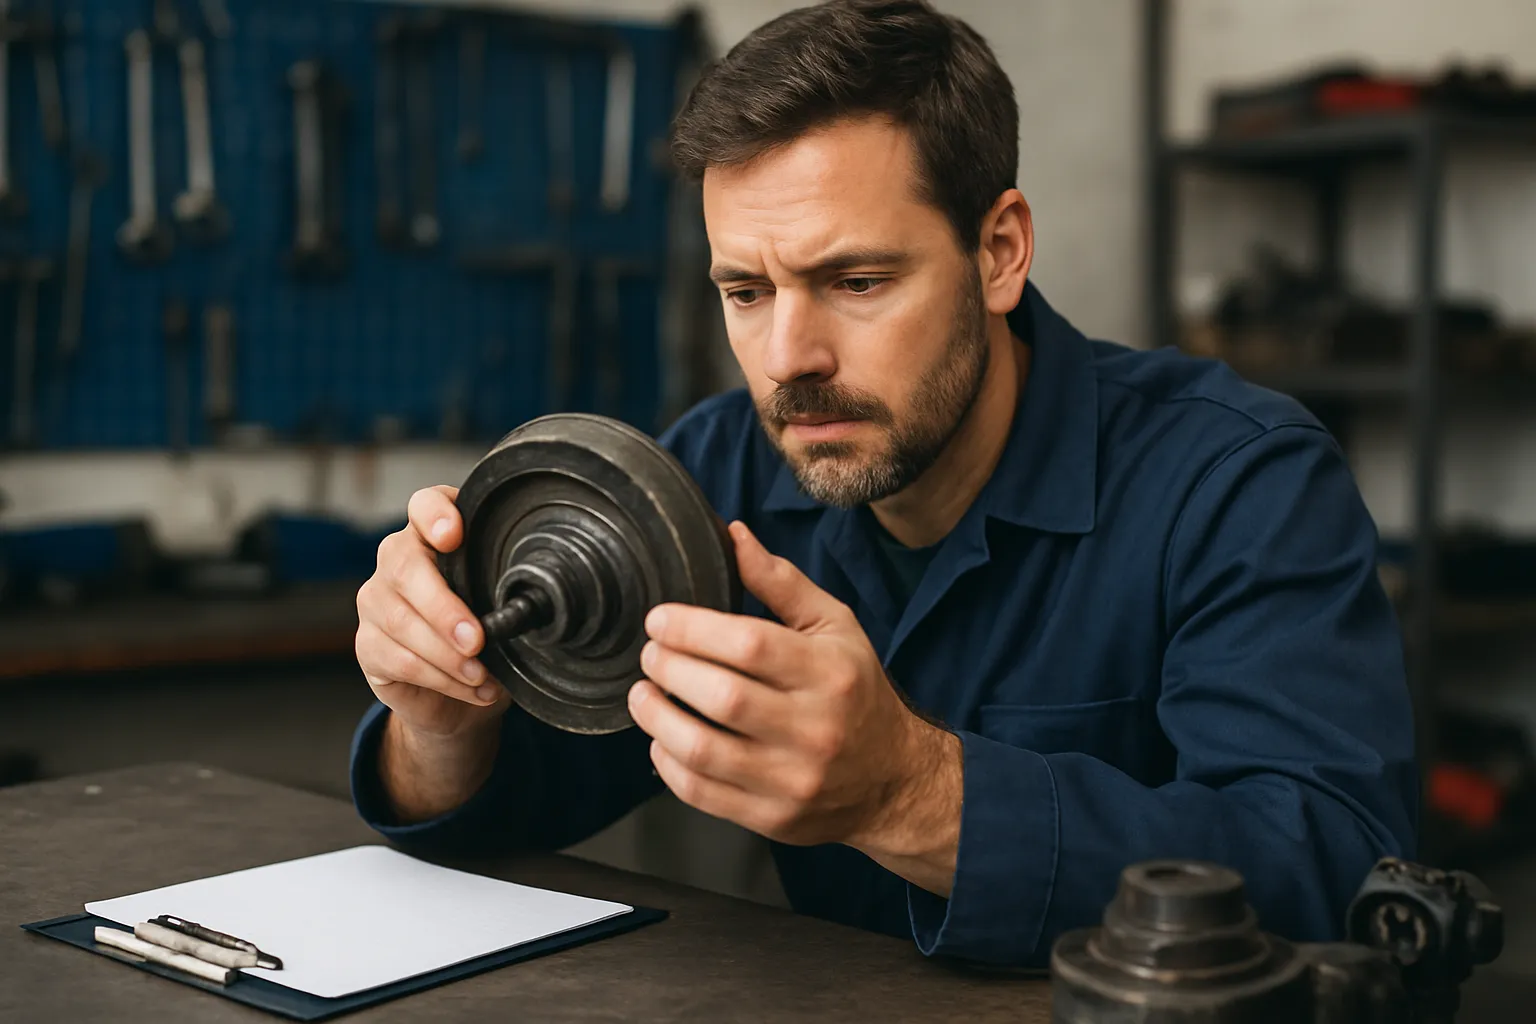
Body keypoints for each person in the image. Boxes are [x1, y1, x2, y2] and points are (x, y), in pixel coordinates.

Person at [349, 0, 1416, 967]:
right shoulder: (718, 472)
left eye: (854, 281)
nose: (787, 356)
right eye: (746, 289)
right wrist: (445, 725)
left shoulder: (1239, 481)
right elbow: (518, 799)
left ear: (999, 252)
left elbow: (1335, 874)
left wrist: (914, 792)